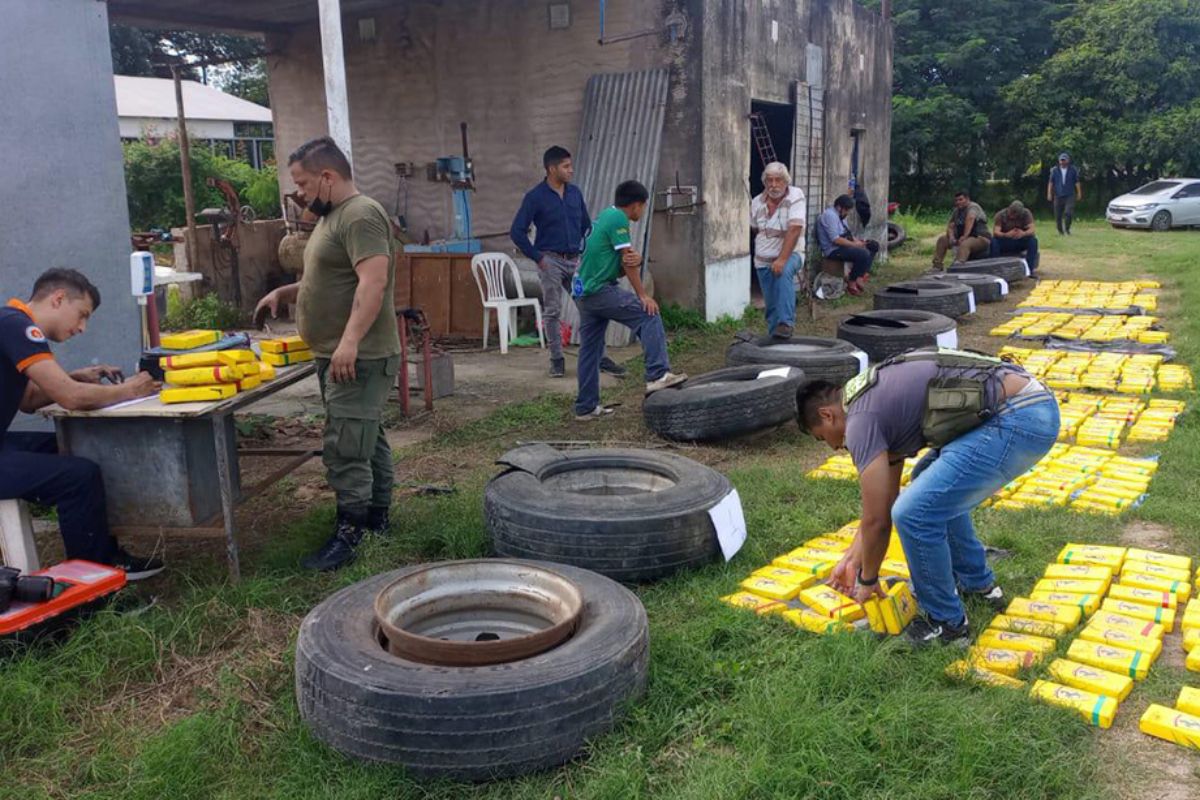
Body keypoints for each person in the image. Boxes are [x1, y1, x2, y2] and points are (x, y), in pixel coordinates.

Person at [795, 353, 1058, 646]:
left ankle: (948, 625)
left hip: (1021, 417)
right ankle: (976, 584)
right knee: (926, 484)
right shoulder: (866, 399)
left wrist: (868, 580)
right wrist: (852, 559)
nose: (833, 447)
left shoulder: (859, 421)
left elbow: (879, 520)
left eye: (823, 438)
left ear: (827, 415)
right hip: (1028, 406)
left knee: (914, 512)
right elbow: (882, 503)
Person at [255, 136, 401, 571]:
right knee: (366, 437)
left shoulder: (360, 215)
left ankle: (350, 532)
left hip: (360, 355)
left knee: (346, 446)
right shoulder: (333, 217)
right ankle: (376, 520)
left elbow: (373, 282)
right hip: (340, 352)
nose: (299, 192)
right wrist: (288, 291)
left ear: (327, 176)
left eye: (302, 183)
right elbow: (333, 276)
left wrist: (349, 341)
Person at [0, 269, 163, 579]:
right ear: (58, 299)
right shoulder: (18, 326)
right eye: (82, 315)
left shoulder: (10, 322)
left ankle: (105, 556)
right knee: (78, 476)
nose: (82, 327)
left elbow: (28, 400)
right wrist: (130, 390)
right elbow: (70, 398)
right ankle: (93, 578)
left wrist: (74, 377)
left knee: (75, 447)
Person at [573, 180, 686, 420]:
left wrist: (634, 261)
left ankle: (586, 407)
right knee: (648, 314)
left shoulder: (605, 216)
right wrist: (643, 295)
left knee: (590, 350)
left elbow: (619, 265)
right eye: (643, 207)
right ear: (636, 205)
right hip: (599, 291)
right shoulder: (618, 219)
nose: (642, 211)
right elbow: (627, 260)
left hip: (584, 293)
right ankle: (658, 374)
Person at [510, 146, 626, 379]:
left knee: (591, 306)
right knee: (552, 311)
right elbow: (517, 231)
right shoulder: (535, 197)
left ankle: (600, 358)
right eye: (566, 166)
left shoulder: (575, 194)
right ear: (552, 169)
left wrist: (589, 255)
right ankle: (557, 359)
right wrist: (538, 257)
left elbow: (586, 227)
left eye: (570, 165)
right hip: (550, 261)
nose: (571, 170)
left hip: (576, 263)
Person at [749, 162, 806, 338]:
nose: (773, 185)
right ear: (765, 182)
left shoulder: (795, 195)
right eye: (769, 180)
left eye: (778, 180)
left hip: (792, 254)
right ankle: (776, 338)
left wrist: (781, 259)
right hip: (762, 260)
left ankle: (786, 322)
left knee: (783, 271)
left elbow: (795, 228)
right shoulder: (756, 202)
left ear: (786, 181)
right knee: (772, 304)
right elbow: (755, 229)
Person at [815, 195, 878, 296]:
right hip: (833, 250)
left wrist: (859, 242)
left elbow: (847, 234)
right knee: (863, 254)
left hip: (843, 246)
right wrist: (855, 245)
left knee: (873, 246)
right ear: (839, 207)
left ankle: (860, 276)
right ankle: (852, 282)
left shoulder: (841, 216)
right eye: (847, 210)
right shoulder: (830, 216)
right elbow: (836, 239)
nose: (847, 213)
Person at [932, 190, 990, 269]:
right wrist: (951, 237)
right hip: (960, 237)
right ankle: (937, 266)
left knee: (965, 244)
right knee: (942, 240)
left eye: (960, 199)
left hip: (980, 237)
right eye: (956, 200)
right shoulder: (957, 211)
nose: (958, 202)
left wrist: (965, 236)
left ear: (967, 199)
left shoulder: (973, 207)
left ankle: (958, 267)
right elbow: (950, 225)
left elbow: (970, 218)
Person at [989, 200, 1039, 275]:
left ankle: (1029, 270)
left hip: (1020, 240)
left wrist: (1023, 233)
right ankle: (996, 268)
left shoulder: (1026, 214)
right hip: (1006, 240)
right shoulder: (1001, 215)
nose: (1013, 215)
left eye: (1016, 214)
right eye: (1012, 212)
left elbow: (1032, 229)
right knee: (994, 242)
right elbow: (996, 232)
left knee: (1033, 241)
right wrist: (1006, 234)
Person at [1047, 153, 1082, 235]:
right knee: (1058, 215)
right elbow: (1051, 182)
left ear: (1068, 161)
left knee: (1068, 212)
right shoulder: (1054, 170)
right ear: (1059, 161)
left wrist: (1079, 193)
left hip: (1070, 194)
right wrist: (1049, 193)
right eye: (1061, 160)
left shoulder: (1073, 170)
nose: (1062, 162)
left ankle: (1067, 229)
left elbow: (1077, 182)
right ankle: (1060, 231)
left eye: (1064, 160)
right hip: (1058, 195)